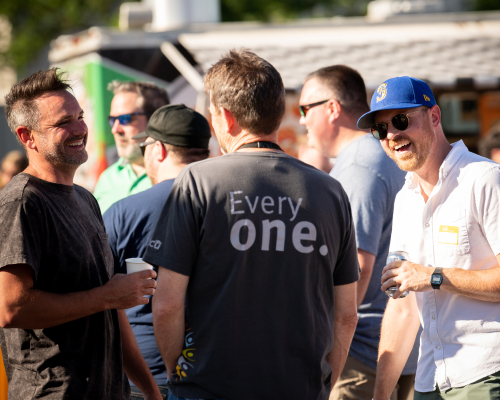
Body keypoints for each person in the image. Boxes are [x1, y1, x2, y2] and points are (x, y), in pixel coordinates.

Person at [143, 49, 360, 400]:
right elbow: (346, 315)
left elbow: (167, 304)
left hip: (208, 388)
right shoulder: (330, 190)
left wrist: (177, 374)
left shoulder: (198, 181)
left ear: (225, 118)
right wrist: (324, 383)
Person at [0, 68, 162, 400]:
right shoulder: (22, 203)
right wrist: (108, 296)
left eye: (80, 116)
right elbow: (10, 308)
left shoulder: (85, 198)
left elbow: (113, 307)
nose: (80, 129)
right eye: (62, 123)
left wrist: (149, 390)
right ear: (27, 136)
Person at [358, 76, 500, 400]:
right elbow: (403, 308)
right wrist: (381, 395)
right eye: (381, 129)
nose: (392, 135)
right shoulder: (405, 198)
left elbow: (423, 280)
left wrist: (433, 277)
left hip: (485, 374)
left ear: (434, 117)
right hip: (429, 380)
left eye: (400, 120)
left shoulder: (485, 179)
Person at [299, 65, 411, 399]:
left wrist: (330, 345)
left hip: (361, 352)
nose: (302, 120)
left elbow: (357, 266)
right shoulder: (381, 154)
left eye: (305, 109)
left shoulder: (359, 165)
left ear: (331, 108)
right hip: (390, 344)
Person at [103, 104, 211, 399]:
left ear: (158, 150)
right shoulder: (230, 206)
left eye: (145, 147)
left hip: (143, 373)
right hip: (216, 368)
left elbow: (97, 293)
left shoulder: (124, 212)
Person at [93, 80, 170, 213]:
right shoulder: (107, 179)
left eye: (125, 119)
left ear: (155, 121)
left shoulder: (175, 175)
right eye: (112, 120)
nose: (115, 129)